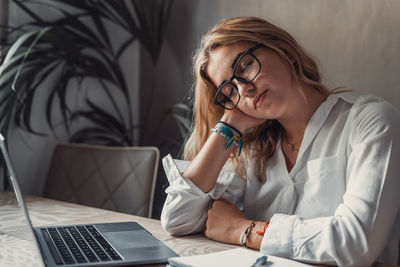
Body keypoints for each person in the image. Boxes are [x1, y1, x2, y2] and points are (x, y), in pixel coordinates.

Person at [160, 16, 400, 266]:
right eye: (230, 91)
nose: (244, 90)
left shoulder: (370, 121)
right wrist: (227, 127)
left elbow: (356, 244)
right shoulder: (254, 149)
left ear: (285, 51)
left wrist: (242, 230)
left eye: (244, 68)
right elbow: (178, 220)